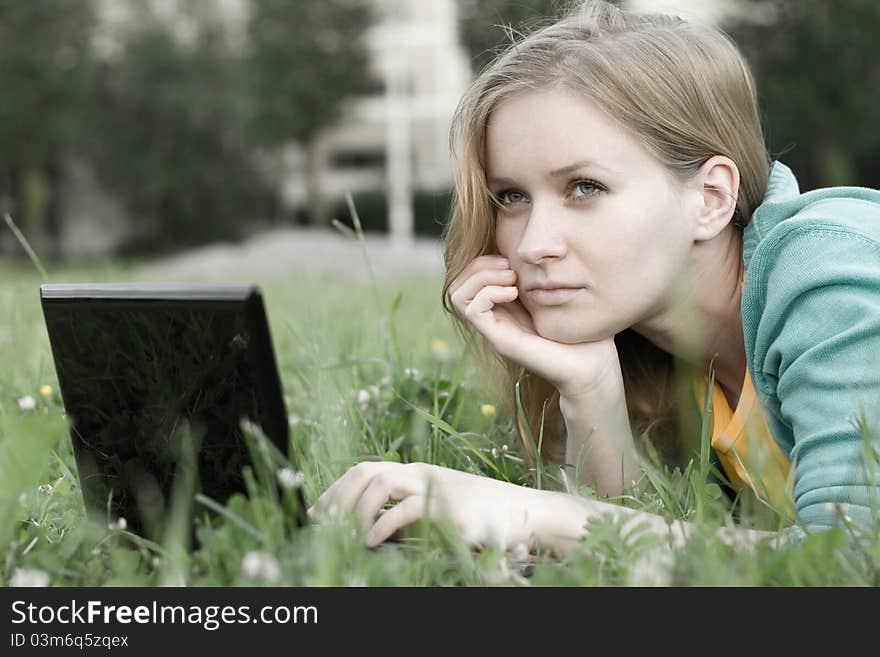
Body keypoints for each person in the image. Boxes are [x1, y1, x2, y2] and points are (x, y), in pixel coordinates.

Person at [309, 0, 880, 557]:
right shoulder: (664, 348)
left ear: (711, 199)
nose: (533, 244)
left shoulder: (831, 272)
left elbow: (853, 562)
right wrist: (590, 391)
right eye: (511, 197)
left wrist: (533, 514)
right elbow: (648, 547)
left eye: (585, 187)